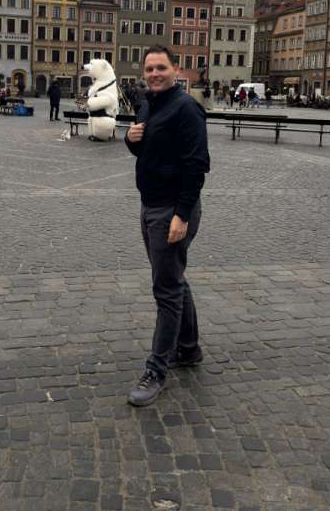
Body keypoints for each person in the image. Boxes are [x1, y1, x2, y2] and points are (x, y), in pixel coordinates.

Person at [124, 45, 211, 406]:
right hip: (150, 205)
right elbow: (148, 151)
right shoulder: (149, 103)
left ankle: (156, 370)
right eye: (149, 69)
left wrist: (182, 215)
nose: (154, 74)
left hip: (172, 210)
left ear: (176, 70)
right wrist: (130, 141)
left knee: (166, 291)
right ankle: (188, 349)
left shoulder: (187, 109)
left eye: (161, 67)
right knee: (174, 280)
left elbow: (197, 166)